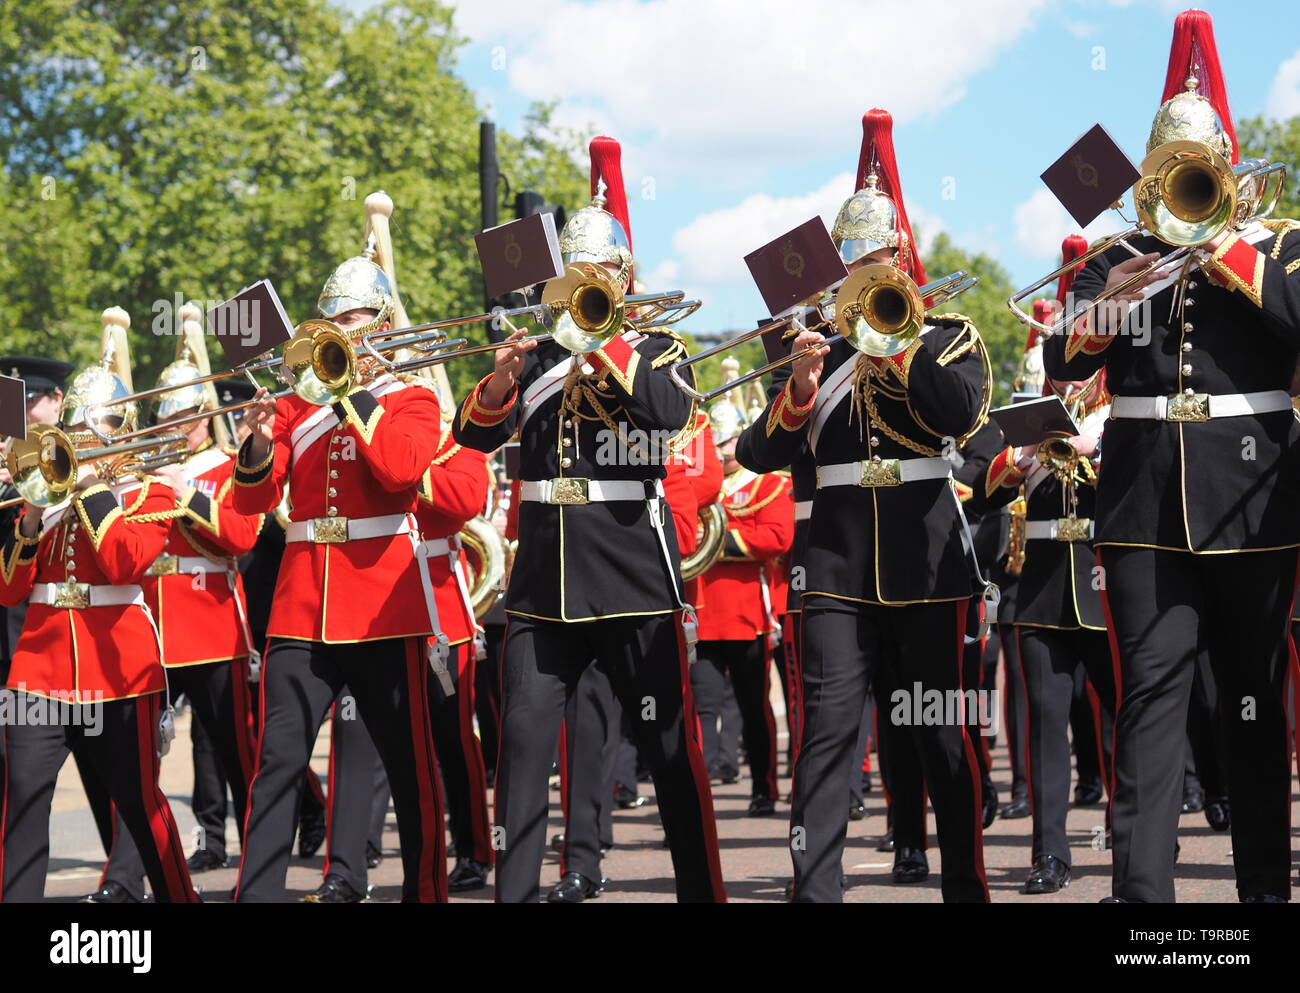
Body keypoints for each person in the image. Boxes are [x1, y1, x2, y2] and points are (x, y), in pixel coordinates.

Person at [1043, 8, 1300, 903]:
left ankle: (1264, 888)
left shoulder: (1278, 243)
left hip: (1252, 500)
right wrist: (1108, 301)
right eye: (1170, 174)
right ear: (1150, 177)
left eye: (1197, 170)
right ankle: (1144, 900)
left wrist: (1224, 244)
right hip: (1144, 504)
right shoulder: (1114, 257)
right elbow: (1060, 363)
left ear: (1225, 167)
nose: (1184, 184)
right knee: (1150, 697)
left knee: (1254, 697)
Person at [453, 135, 726, 904]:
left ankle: (703, 889)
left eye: (600, 274)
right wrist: (500, 382)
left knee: (672, 749)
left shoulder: (658, 345)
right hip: (544, 579)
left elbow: (667, 416)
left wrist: (607, 343)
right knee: (522, 751)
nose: (586, 285)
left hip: (633, 567)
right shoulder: (535, 351)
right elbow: (471, 440)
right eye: (575, 274)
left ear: (626, 279)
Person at [737, 109, 992, 903]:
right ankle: (815, 890)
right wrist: (800, 389)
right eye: (852, 258)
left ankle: (965, 885)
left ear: (903, 257)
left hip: (926, 561)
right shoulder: (815, 345)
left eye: (878, 255)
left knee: (942, 737)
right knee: (827, 738)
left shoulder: (947, 331)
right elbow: (755, 454)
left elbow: (956, 413)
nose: (865, 268)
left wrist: (903, 337)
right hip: (838, 567)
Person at [232, 243, 448, 903]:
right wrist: (260, 442)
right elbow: (249, 504)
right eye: (331, 320)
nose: (338, 331)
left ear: (382, 326)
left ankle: (426, 890)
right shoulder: (297, 409)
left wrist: (353, 392)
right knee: (277, 764)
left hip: (383, 601)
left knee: (410, 765)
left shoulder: (412, 399)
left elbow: (399, 472)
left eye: (351, 319)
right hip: (302, 604)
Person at [0, 309, 198, 903]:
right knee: (23, 800)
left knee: (138, 800)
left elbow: (123, 562)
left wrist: (90, 489)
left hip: (121, 670)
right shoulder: (39, 496)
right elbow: (10, 589)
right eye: (76, 424)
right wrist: (33, 512)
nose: (83, 436)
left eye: (98, 424)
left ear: (123, 427)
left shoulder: (151, 490)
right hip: (40, 667)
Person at [89, 306, 263, 901]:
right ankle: (124, 876)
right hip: (154, 627)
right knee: (140, 765)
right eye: (169, 417)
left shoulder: (220, 466)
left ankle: (263, 860)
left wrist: (185, 494)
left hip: (209, 624)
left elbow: (241, 537)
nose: (176, 427)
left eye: (187, 417)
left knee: (239, 752)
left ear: (202, 418)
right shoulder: (140, 471)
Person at [691, 391, 792, 816]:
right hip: (701, 612)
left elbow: (777, 538)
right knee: (701, 708)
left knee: (754, 709)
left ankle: (764, 787)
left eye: (730, 441)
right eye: (718, 441)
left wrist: (717, 543)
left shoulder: (769, 484)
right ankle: (697, 794)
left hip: (746, 614)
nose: (723, 449)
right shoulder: (699, 483)